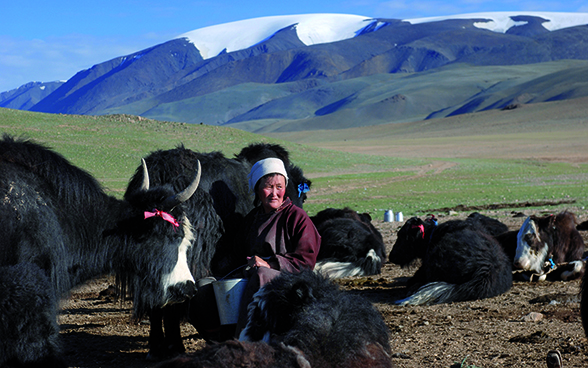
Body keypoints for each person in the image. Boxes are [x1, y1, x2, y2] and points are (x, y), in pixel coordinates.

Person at [234, 157, 321, 336]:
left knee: (261, 274)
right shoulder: (251, 220)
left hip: (292, 281)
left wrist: (271, 264)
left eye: (279, 187)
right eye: (268, 187)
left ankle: (244, 336)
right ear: (257, 189)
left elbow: (306, 260)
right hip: (255, 276)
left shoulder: (297, 217)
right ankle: (219, 337)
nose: (275, 193)